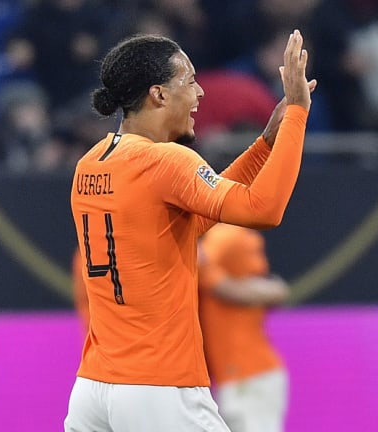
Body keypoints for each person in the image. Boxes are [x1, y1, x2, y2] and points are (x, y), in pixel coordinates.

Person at [66, 29, 314, 432]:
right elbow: (264, 209)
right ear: (158, 94)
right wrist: (298, 116)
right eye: (189, 80)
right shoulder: (165, 161)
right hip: (159, 387)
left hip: (93, 388)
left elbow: (193, 219)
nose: (199, 93)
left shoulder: (91, 163)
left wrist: (266, 142)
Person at [198, 224, 290, 432]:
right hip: (234, 376)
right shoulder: (219, 238)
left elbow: (202, 267)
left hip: (248, 374)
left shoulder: (226, 235)